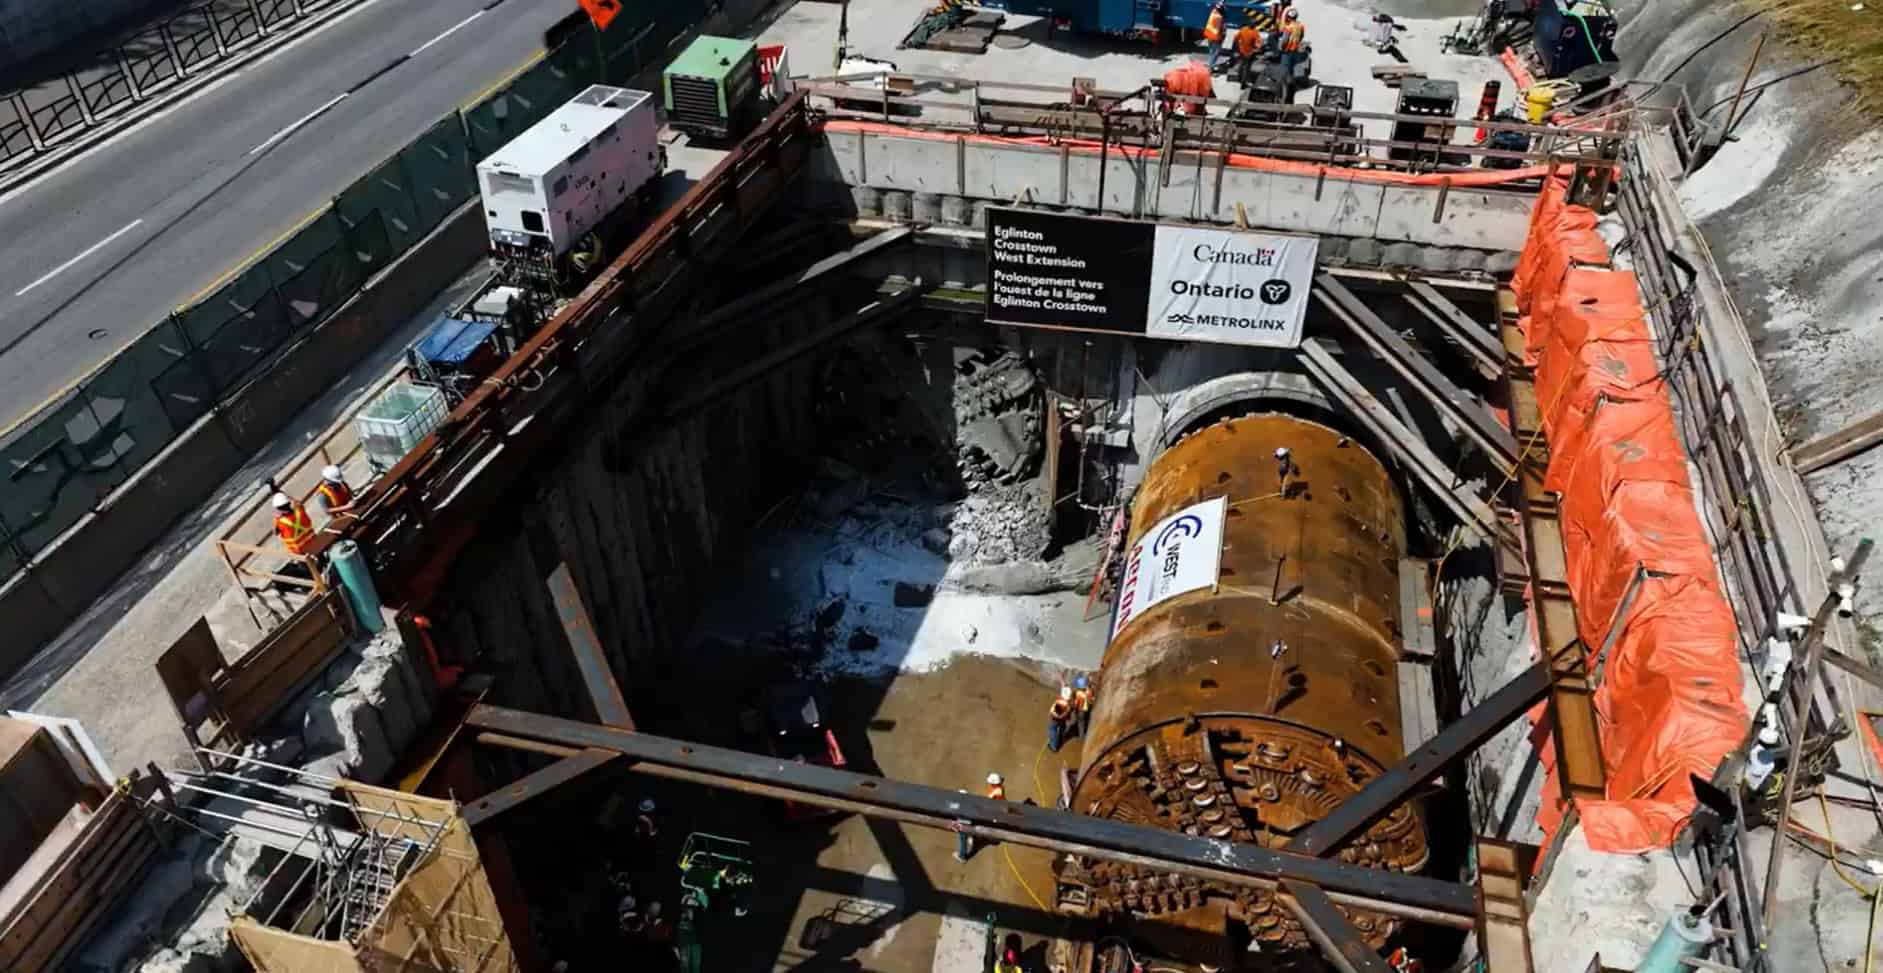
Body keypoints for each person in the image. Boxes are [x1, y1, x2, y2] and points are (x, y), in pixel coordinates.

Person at [272, 492, 314, 557]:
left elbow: (275, 532)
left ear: (278, 509)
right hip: (314, 542)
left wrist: (275, 518)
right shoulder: (300, 510)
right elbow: (297, 502)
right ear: (289, 503)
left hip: (299, 552)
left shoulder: (280, 521)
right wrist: (287, 496)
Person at [1277, 7, 1306, 80]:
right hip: (1296, 50)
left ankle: (1286, 84)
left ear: (1289, 17)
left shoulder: (1288, 28)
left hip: (1287, 51)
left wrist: (1280, 47)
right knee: (1294, 67)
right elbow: (1301, 36)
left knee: (1285, 69)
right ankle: (1293, 82)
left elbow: (1284, 40)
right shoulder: (1301, 26)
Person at [1233, 19, 1264, 88]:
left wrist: (1237, 47)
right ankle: (1243, 83)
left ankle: (1239, 78)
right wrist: (1258, 48)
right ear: (1254, 25)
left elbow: (1236, 38)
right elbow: (1259, 43)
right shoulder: (1255, 32)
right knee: (1247, 68)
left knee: (1241, 64)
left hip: (1242, 51)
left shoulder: (1243, 29)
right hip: (1249, 53)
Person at [1047, 686, 1073, 753]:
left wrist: (1053, 715)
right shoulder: (1068, 704)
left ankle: (1054, 747)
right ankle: (1061, 739)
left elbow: (1052, 711)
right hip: (1063, 719)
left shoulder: (1059, 702)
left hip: (1056, 719)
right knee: (1062, 728)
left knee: (1052, 730)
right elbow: (1068, 713)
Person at [1071, 675, 1094, 741]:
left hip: (1079, 710)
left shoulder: (1078, 693)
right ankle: (1081, 733)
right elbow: (1091, 700)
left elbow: (1074, 702)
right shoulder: (1088, 691)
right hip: (1085, 709)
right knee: (1082, 721)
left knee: (1081, 723)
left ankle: (1081, 736)